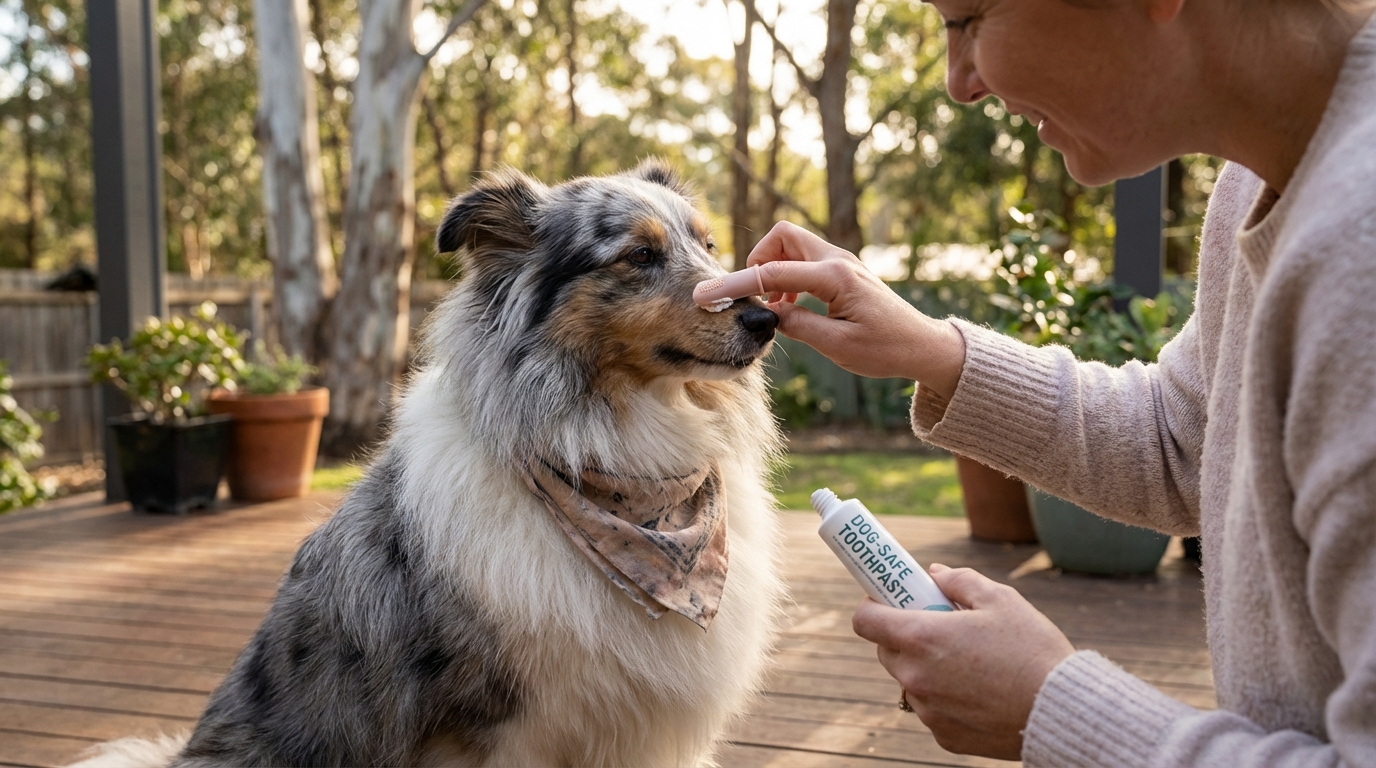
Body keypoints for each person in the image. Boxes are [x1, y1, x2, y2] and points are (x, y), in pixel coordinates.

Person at [744, 0, 1376, 765]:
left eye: (968, 19)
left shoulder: (1358, 251)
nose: (959, 83)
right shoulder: (1259, 181)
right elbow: (1188, 443)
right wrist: (934, 352)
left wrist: (1051, 706)